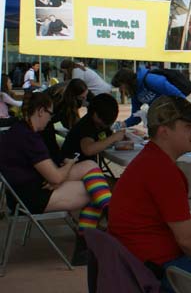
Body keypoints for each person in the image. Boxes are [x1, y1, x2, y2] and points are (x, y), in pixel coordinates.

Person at [0, 92, 113, 265]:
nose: (50, 119)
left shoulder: (20, 129)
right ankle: (87, 243)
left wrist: (58, 175)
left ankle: (109, 212)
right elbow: (56, 177)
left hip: (24, 189)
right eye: (50, 114)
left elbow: (53, 176)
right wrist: (70, 164)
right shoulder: (30, 138)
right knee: (94, 190)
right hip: (32, 196)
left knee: (92, 169)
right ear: (40, 111)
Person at [109, 96, 191, 283]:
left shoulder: (151, 160)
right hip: (153, 272)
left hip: (133, 265)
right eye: (188, 126)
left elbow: (185, 230)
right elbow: (187, 240)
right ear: (164, 131)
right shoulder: (162, 170)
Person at [111, 66, 186, 127]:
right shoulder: (135, 92)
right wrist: (123, 124)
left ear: (126, 81)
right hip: (163, 119)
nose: (120, 89)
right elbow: (136, 116)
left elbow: (179, 96)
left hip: (175, 115)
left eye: (120, 86)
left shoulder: (150, 79)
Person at [61, 93, 125, 162]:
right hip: (69, 166)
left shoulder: (100, 123)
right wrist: (113, 138)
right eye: (106, 121)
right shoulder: (86, 124)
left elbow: (107, 136)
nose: (108, 125)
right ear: (95, 115)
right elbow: (88, 150)